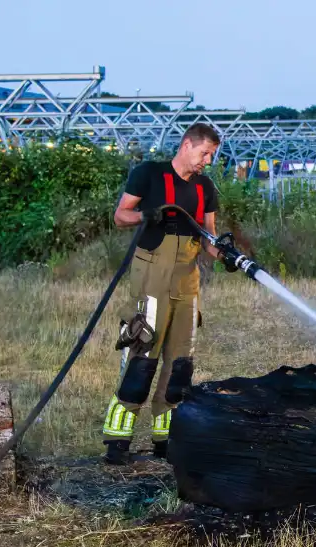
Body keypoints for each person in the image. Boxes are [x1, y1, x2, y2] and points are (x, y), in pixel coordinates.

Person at [100, 122, 236, 465]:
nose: (207, 161)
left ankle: (167, 440)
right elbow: (120, 216)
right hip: (152, 275)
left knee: (180, 365)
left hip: (186, 279)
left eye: (211, 155)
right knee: (144, 356)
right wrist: (147, 215)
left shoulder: (205, 187)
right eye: (204, 153)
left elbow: (208, 238)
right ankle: (118, 440)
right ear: (187, 144)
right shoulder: (149, 174)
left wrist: (227, 256)